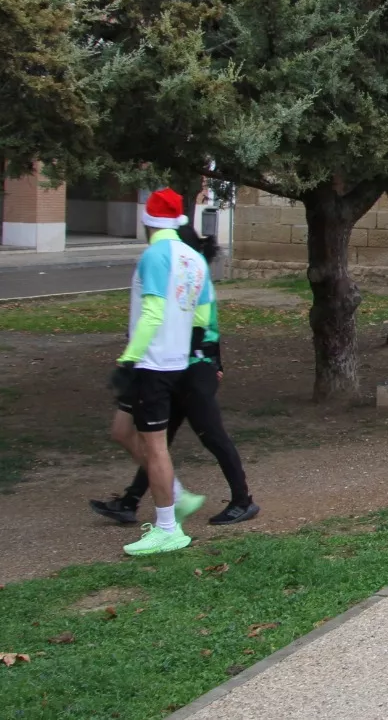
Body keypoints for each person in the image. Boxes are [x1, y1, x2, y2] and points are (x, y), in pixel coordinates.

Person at [91, 223, 257, 528]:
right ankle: (131, 502)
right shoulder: (179, 273)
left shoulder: (191, 276)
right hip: (173, 368)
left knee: (210, 433)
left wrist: (212, 364)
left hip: (195, 369)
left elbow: (205, 327)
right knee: (156, 440)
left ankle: (243, 500)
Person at [105, 189, 216, 555]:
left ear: (147, 220)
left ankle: (169, 526)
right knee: (122, 431)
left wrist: (128, 359)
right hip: (175, 362)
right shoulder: (195, 259)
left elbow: (152, 311)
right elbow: (201, 317)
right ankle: (177, 495)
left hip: (151, 364)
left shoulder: (154, 255)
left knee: (155, 448)